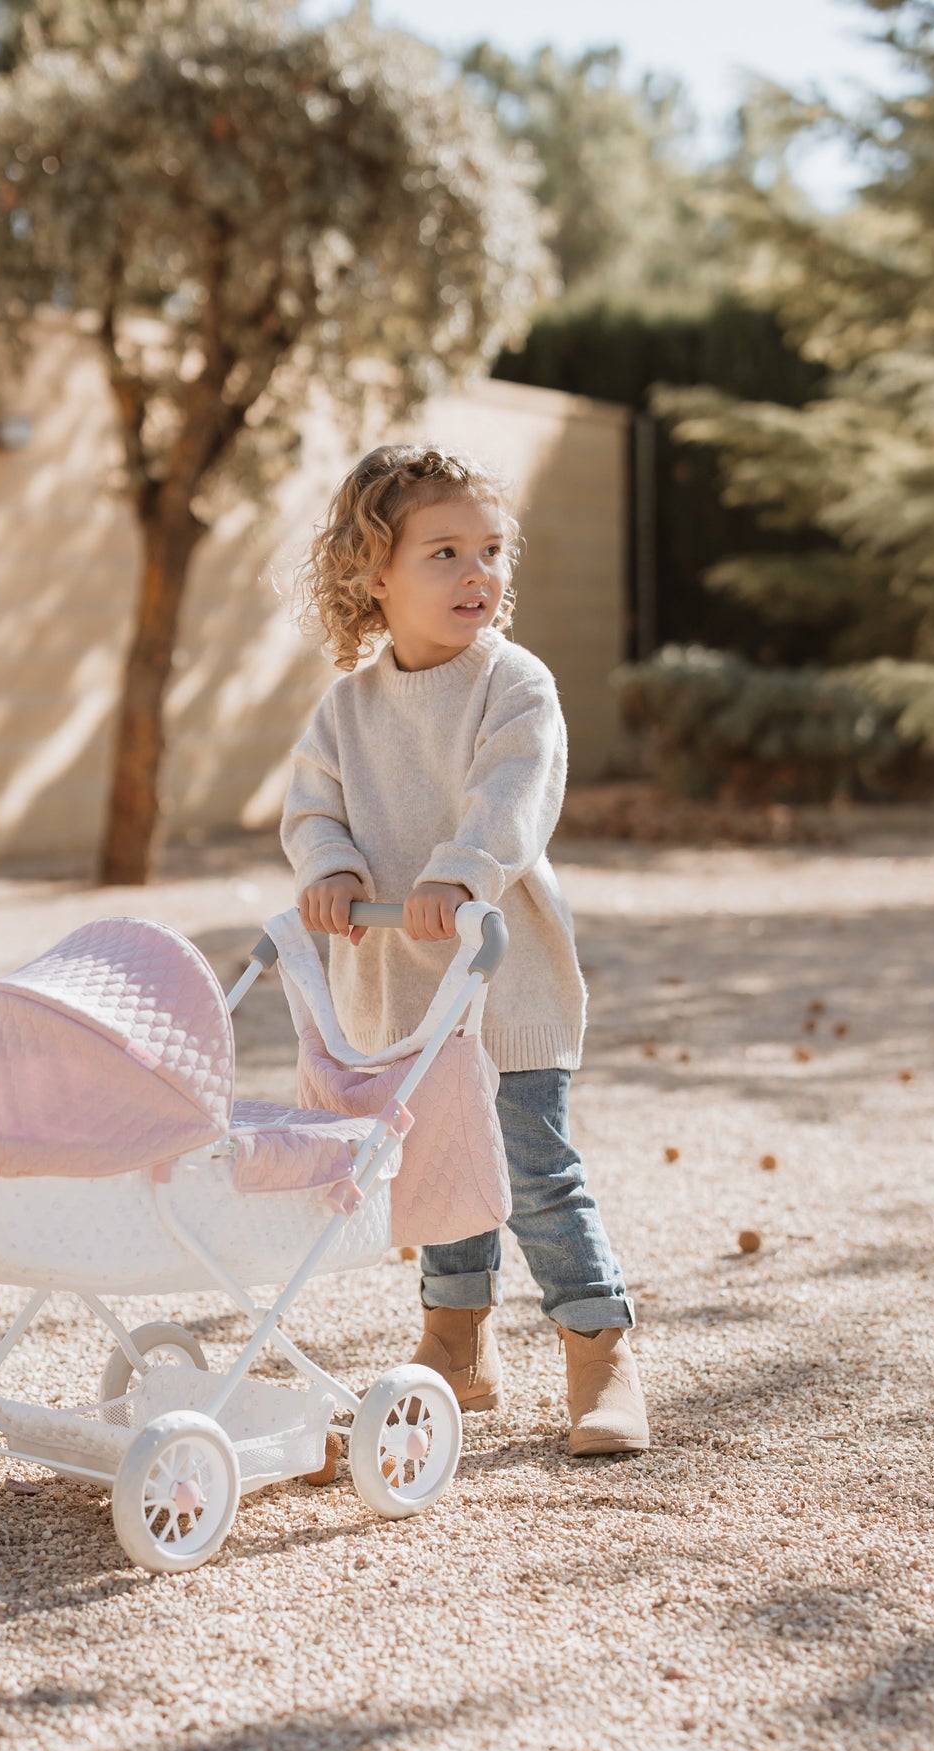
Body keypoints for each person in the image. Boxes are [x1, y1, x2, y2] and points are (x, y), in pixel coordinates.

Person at [281, 442, 650, 1458]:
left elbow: (510, 792)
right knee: (442, 1166)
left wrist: (457, 871)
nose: (476, 572)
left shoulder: (513, 684)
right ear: (373, 574)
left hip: (503, 982)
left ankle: (596, 1345)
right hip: (403, 985)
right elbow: (311, 806)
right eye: (443, 552)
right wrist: (330, 868)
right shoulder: (346, 708)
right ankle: (454, 1339)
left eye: (489, 549)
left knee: (532, 1168)